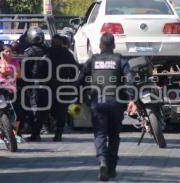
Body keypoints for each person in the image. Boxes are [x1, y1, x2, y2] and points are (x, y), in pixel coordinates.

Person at [78, 32, 137, 181]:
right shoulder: (120, 60)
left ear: (100, 45)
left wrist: (80, 97)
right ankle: (111, 167)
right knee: (114, 136)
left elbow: (80, 79)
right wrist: (131, 99)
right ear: (114, 45)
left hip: (97, 102)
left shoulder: (93, 60)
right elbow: (129, 79)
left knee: (100, 134)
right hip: (116, 103)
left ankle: (102, 161)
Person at [48, 34, 77, 141]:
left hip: (49, 84)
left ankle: (50, 128)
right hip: (63, 84)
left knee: (50, 108)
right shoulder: (67, 53)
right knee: (61, 109)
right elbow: (74, 69)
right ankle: (58, 131)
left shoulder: (48, 53)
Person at [24, 27, 50, 141]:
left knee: (34, 108)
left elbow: (25, 69)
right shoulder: (48, 50)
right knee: (43, 109)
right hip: (47, 84)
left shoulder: (29, 52)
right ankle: (39, 130)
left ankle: (36, 133)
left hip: (34, 84)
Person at [0, 44, 23, 143]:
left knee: (17, 113)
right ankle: (1, 135)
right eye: (6, 51)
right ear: (2, 52)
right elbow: (2, 71)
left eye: (10, 51)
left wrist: (10, 73)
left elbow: (19, 75)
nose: (8, 53)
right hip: (1, 91)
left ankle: (14, 134)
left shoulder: (15, 62)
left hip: (12, 90)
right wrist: (3, 59)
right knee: (2, 113)